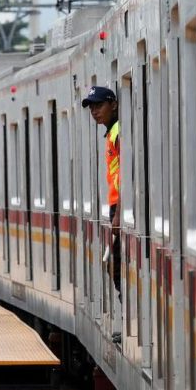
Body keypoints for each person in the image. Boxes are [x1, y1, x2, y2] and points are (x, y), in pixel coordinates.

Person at [82, 86, 122, 344]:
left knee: (115, 265)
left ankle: (126, 320)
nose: (95, 111)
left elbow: (129, 171)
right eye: (91, 107)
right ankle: (125, 318)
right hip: (116, 206)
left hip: (121, 208)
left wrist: (119, 213)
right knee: (113, 264)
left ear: (114, 104)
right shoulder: (111, 133)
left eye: (99, 105)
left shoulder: (119, 133)